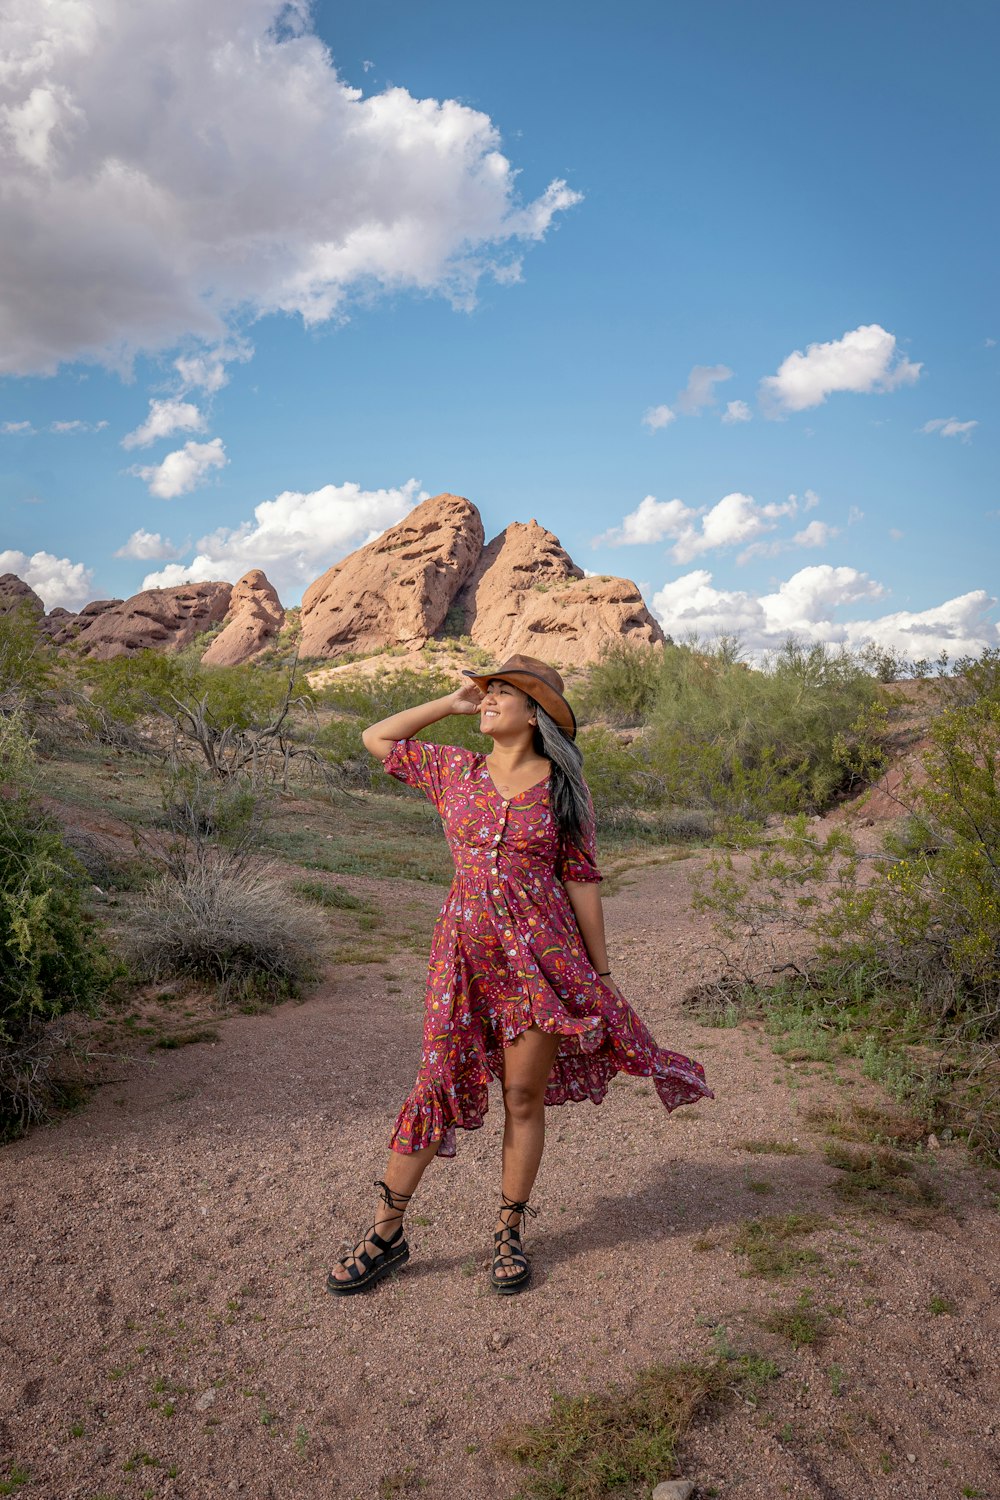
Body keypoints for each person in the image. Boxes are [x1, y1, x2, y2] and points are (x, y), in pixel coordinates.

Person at [327, 654, 713, 1297]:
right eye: (486, 692)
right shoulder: (455, 770)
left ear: (535, 714)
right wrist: (449, 705)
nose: (487, 700)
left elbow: (582, 881)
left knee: (523, 1098)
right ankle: (385, 1233)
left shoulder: (565, 790)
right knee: (435, 1083)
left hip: (541, 961)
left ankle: (509, 1231)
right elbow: (379, 738)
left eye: (501, 693)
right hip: (464, 960)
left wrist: (601, 972)